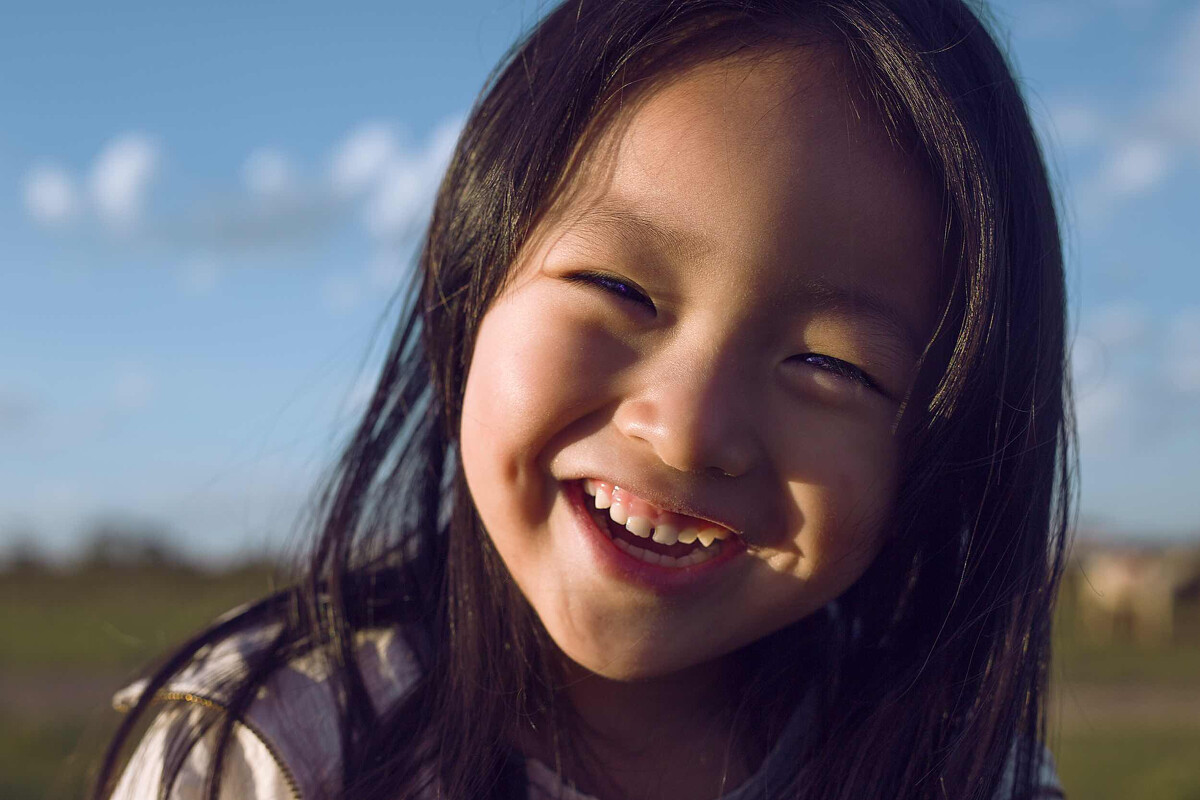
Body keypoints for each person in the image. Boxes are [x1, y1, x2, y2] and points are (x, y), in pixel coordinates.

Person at [93, 1, 1073, 798]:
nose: (688, 429)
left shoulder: (965, 773)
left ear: (954, 441)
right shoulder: (279, 751)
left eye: (832, 366)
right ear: (473, 276)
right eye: (621, 290)